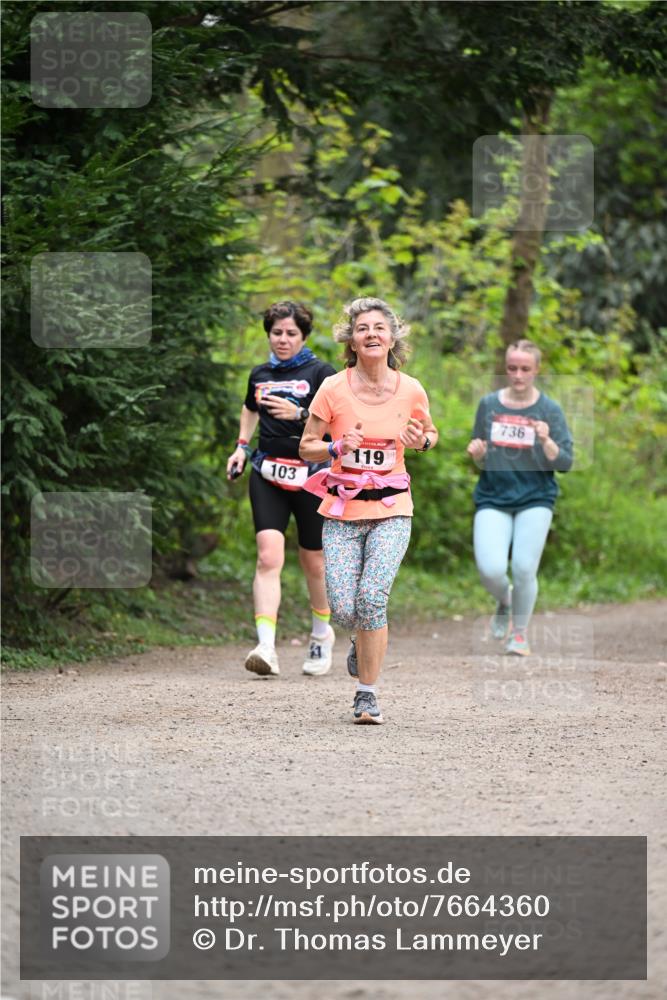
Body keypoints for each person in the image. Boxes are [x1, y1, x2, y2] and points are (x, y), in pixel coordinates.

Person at [299, 296, 438, 724]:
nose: (372, 334)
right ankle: (361, 641)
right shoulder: (333, 388)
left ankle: (367, 694)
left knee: (372, 598)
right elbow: (306, 448)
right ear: (351, 340)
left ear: (393, 336)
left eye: (380, 327)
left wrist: (421, 441)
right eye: (362, 328)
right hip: (342, 511)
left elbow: (429, 434)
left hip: (393, 510)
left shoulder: (411, 388)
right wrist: (337, 447)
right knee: (344, 607)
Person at [226, 301, 336, 677]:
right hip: (268, 473)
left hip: (312, 476)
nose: (283, 340)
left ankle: (322, 635)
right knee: (268, 557)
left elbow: (341, 420)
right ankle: (266, 646)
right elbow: (249, 408)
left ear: (304, 335)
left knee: (314, 561)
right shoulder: (259, 373)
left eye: (291, 333)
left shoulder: (322, 372)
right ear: (268, 334)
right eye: (277, 333)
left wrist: (301, 415)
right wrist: (241, 447)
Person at [466, 339, 573, 655]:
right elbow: (482, 457)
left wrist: (546, 440)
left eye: (525, 369)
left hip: (536, 497)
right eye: (512, 368)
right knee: (491, 570)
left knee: (525, 569)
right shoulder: (488, 404)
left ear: (536, 370)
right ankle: (505, 600)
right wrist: (478, 455)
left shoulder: (549, 409)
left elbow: (565, 462)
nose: (518, 375)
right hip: (493, 496)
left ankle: (520, 634)